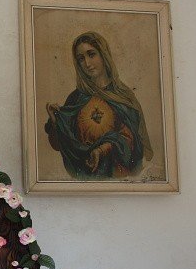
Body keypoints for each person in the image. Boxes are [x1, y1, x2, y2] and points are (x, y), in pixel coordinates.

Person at [44, 31, 153, 179]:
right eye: (81, 59)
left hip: (119, 177)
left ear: (104, 55)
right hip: (86, 178)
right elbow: (60, 146)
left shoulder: (123, 96)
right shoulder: (75, 99)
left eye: (91, 54)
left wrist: (102, 150)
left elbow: (132, 141)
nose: (87, 64)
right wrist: (56, 122)